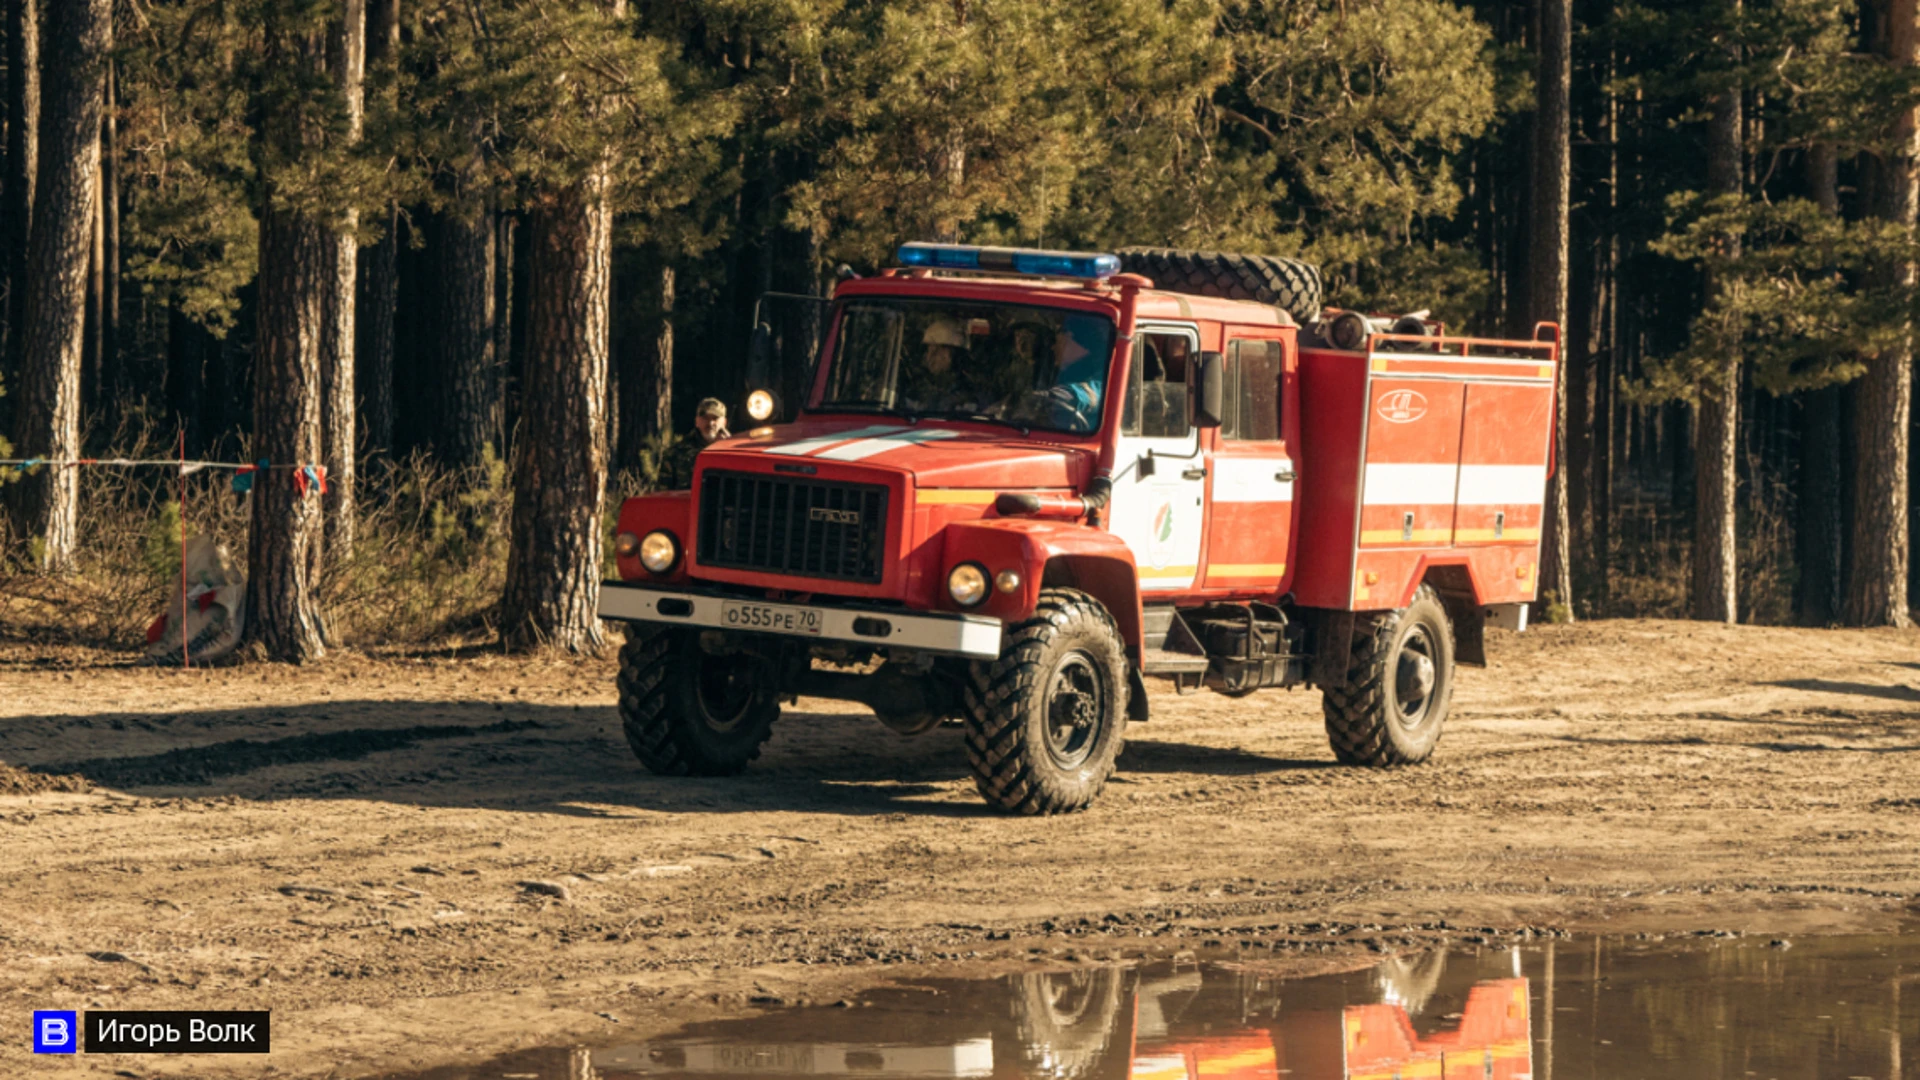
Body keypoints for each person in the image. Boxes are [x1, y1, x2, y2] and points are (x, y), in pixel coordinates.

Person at [899, 318, 983, 414]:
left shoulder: (971, 395)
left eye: (935, 351)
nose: (928, 358)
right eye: (928, 351)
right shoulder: (915, 390)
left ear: (953, 355)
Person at [1044, 318, 1108, 433]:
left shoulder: (1103, 371)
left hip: (1078, 441)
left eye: (1057, 341)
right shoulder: (1060, 372)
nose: (1053, 348)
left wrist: (1062, 395)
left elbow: (1092, 394)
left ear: (1069, 337)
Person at [663, 398, 729, 489]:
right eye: (705, 418)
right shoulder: (676, 453)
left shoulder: (734, 453)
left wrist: (725, 447)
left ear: (724, 422)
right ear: (697, 421)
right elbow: (663, 493)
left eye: (715, 418)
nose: (710, 423)